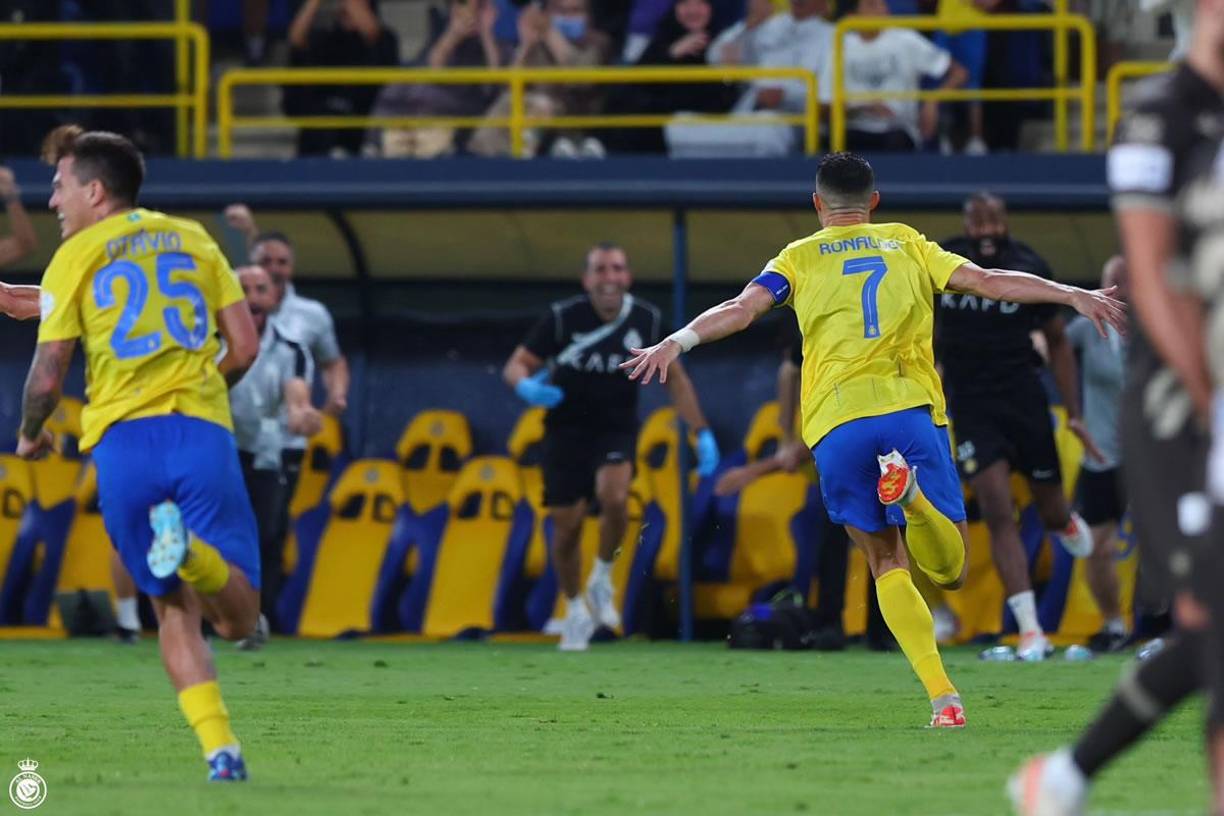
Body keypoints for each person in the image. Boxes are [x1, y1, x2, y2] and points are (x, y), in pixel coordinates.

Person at [621, 152, 1124, 727]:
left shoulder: (797, 258)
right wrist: (1069, 293)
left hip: (837, 425)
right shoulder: (906, 241)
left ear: (817, 205)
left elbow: (740, 310)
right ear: (874, 203)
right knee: (951, 569)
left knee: (886, 560)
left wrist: (676, 342)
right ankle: (909, 497)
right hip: (908, 410)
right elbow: (986, 282)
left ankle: (943, 698)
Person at [1009, 1, 1224, 811]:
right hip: (1180, 410)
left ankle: (1064, 777)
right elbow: (1150, 276)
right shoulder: (1157, 119)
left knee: (1212, 629)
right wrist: (1210, 402)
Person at [20, 125, 261, 781]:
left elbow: (47, 374)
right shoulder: (194, 238)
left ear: (94, 191)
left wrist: (28, 434)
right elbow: (243, 347)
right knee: (241, 620)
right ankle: (190, 550)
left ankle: (222, 751)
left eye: (60, 186)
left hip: (123, 446)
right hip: (198, 432)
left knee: (173, 612)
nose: (53, 201)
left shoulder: (74, 257)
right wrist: (203, 388)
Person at [502, 242, 721, 651]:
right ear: (587, 279)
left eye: (616, 269)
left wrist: (700, 431)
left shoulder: (646, 318)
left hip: (616, 429)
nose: (609, 278)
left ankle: (602, 578)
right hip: (564, 433)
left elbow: (676, 379)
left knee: (615, 497)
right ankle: (574, 609)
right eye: (601, 270)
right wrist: (527, 387)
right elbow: (516, 365)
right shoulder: (561, 319)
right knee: (566, 528)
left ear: (628, 277)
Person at [934, 191, 1097, 662]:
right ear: (966, 225)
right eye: (976, 223)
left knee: (1048, 509)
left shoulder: (1028, 263)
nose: (985, 232)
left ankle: (1062, 519)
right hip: (970, 404)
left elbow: (1059, 343)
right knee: (998, 510)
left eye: (992, 222)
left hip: (1023, 397)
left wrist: (1075, 413)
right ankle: (1030, 631)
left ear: (1005, 223)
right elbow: (927, 334)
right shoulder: (946, 264)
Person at [225, 205, 349, 547]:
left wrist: (332, 397)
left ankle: (261, 600)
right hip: (228, 439)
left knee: (269, 533)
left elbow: (331, 362)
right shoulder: (220, 327)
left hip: (278, 443)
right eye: (267, 264)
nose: (273, 271)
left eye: (282, 263)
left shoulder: (307, 321)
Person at [229, 265, 323, 646]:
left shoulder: (291, 349)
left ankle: (253, 617)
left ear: (273, 298)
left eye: (260, 289)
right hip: (216, 447)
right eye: (244, 289)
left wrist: (302, 414)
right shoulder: (206, 341)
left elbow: (297, 396)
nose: (252, 297)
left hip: (264, 452)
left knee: (264, 534)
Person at [1067, 256, 1130, 654]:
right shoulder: (1089, 329)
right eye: (1113, 284)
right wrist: (1073, 414)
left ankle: (1176, 628)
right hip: (1103, 454)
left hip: (1154, 458)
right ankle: (1115, 625)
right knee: (1099, 546)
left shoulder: (1161, 324)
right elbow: (1050, 343)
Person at [819, 0, 967, 152]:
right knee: (829, 144)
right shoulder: (840, 45)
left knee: (895, 142)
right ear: (852, 16)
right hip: (852, 130)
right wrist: (860, 107)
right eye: (872, 5)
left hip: (897, 130)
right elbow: (823, 107)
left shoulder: (906, 40)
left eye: (883, 4)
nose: (883, 9)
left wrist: (933, 100)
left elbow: (959, 73)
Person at [284, 0, 399, 157]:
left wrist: (354, 7)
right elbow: (297, 41)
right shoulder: (326, 39)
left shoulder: (385, 41)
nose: (348, 10)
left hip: (360, 131)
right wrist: (313, 4)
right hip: (319, 135)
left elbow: (374, 34)